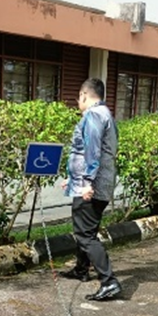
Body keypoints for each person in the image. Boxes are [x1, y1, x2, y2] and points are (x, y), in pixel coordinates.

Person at [61, 78, 122, 301]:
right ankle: (81, 269)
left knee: (84, 235)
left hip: (91, 186)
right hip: (96, 183)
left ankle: (109, 281)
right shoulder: (107, 115)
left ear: (84, 95)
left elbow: (92, 151)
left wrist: (86, 182)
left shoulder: (94, 115)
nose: (78, 103)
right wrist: (73, 178)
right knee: (87, 231)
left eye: (79, 98)